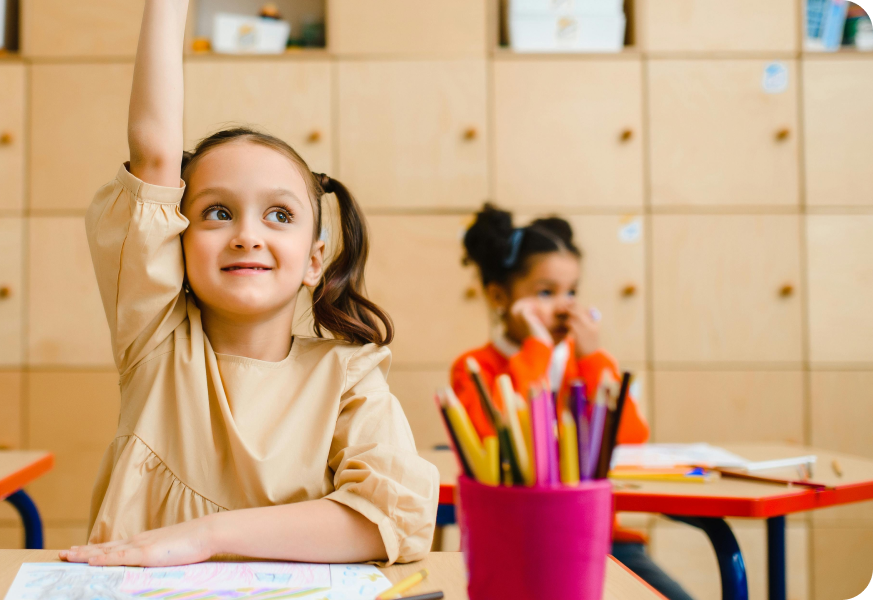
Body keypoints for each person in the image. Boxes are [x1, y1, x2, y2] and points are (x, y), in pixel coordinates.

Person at [58, 0, 437, 568]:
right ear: (175, 242)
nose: (246, 235)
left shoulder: (349, 375)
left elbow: (388, 520)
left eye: (279, 215)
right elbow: (154, 152)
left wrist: (206, 535)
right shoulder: (157, 340)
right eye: (216, 213)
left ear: (315, 261)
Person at [452, 203, 693, 600]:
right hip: (517, 541)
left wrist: (593, 358)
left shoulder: (587, 363)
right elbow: (507, 436)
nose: (565, 306)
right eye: (546, 292)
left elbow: (630, 439)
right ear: (499, 295)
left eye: (572, 291)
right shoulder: (475, 367)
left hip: (599, 539)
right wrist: (535, 352)